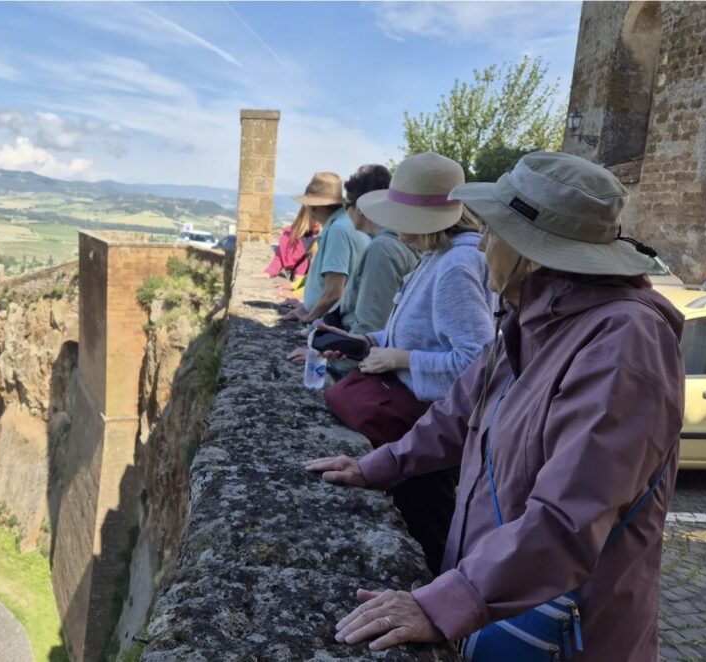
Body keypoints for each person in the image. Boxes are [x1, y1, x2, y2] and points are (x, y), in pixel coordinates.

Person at [304, 152, 684, 661]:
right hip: (506, 608)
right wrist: (377, 467)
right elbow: (459, 413)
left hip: (571, 634)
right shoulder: (534, 318)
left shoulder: (624, 342)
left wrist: (444, 604)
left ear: (531, 252)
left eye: (494, 232)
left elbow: (570, 514)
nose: (482, 245)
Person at [319, 152, 493, 573]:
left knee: (431, 535)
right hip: (425, 427)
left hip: (434, 432)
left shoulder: (455, 266)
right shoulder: (439, 256)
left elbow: (478, 363)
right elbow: (414, 333)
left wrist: (399, 358)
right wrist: (362, 344)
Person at [286, 164, 419, 366]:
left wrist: (320, 357)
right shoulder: (397, 242)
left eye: (347, 205)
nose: (345, 211)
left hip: (357, 366)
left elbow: (369, 330)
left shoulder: (382, 249)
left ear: (362, 208)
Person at [280, 172, 369, 324]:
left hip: (336, 321)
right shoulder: (345, 223)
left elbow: (334, 292)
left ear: (313, 207)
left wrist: (309, 317)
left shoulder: (337, 231)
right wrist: (306, 307)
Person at [257, 207, 320, 281]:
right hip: (301, 284)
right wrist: (269, 272)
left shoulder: (324, 235)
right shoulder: (290, 235)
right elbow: (280, 258)